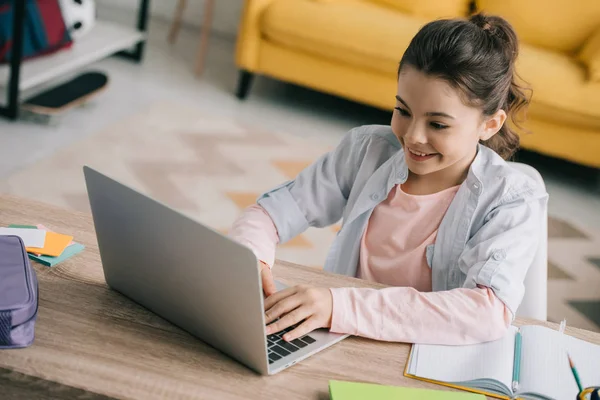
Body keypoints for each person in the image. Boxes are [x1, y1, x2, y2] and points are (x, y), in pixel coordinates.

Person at [228, 12, 548, 346]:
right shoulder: (366, 150)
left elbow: (486, 313)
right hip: (342, 340)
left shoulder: (512, 200)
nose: (412, 136)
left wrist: (339, 305)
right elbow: (269, 212)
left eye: (437, 124)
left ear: (490, 124)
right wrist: (251, 257)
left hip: (423, 359)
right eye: (403, 111)